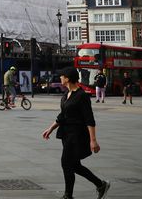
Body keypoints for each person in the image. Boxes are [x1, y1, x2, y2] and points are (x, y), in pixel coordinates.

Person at [42, 67, 110, 199]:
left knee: (66, 163)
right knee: (74, 165)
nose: (60, 78)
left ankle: (68, 195)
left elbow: (89, 119)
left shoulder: (82, 96)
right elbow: (62, 116)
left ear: (67, 78)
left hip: (77, 135)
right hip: (66, 134)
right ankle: (100, 184)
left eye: (62, 76)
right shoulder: (66, 95)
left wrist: (93, 140)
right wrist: (50, 128)